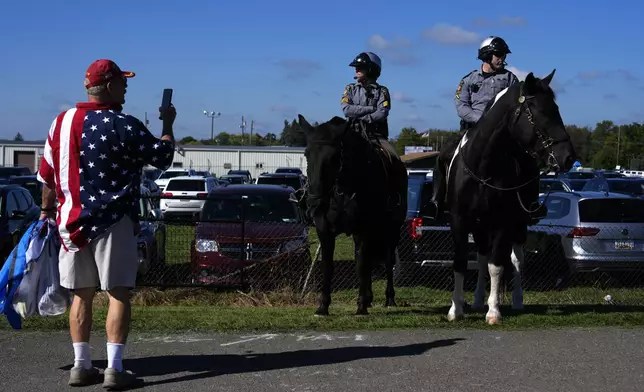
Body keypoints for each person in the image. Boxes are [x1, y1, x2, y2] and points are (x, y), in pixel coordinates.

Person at [37, 59, 176, 388]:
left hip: (71, 225)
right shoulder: (124, 124)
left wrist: (46, 212)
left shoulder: (61, 123)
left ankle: (81, 365)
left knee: (81, 297)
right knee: (117, 294)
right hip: (114, 222)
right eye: (122, 82)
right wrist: (168, 124)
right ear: (109, 86)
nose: (126, 88)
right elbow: (163, 156)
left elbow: (47, 177)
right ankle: (114, 368)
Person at [427, 36, 518, 220]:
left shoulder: (510, 79)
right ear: (486, 56)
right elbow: (461, 105)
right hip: (471, 130)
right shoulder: (468, 79)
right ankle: (436, 201)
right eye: (498, 55)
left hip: (502, 133)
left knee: (524, 158)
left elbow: (517, 106)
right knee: (444, 154)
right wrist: (482, 120)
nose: (502, 58)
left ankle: (528, 205)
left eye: (503, 55)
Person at [341, 51, 398, 158]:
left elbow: (382, 112)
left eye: (360, 67)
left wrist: (363, 118)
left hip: (376, 136)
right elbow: (346, 109)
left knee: (393, 156)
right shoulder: (350, 89)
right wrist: (371, 108)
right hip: (352, 134)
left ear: (371, 70)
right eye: (356, 67)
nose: (356, 70)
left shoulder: (382, 91)